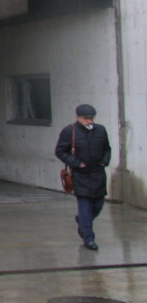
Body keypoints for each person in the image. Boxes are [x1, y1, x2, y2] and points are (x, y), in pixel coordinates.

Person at [55, 104, 111, 251]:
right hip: (81, 176)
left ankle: (82, 221)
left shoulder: (101, 130)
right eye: (86, 118)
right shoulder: (69, 131)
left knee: (97, 206)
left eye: (91, 118)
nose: (89, 121)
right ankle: (89, 238)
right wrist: (76, 163)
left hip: (98, 174)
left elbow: (107, 149)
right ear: (78, 117)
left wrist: (105, 161)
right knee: (85, 208)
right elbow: (60, 151)